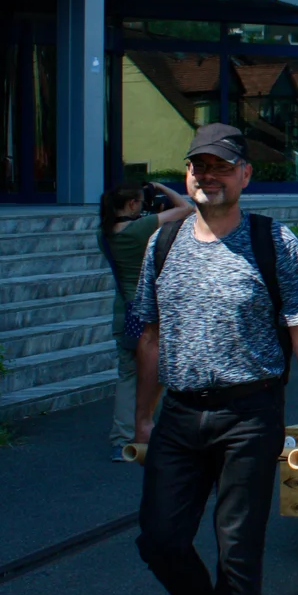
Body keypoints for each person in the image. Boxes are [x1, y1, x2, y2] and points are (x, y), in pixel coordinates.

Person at [131, 124, 298, 595]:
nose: (209, 175)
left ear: (245, 175)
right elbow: (148, 337)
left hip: (250, 413)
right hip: (179, 412)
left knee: (238, 550)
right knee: (160, 540)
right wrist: (143, 418)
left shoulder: (273, 241)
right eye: (199, 166)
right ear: (187, 175)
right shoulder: (164, 242)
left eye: (222, 166)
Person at [98, 182, 195, 461]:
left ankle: (122, 440)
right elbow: (186, 209)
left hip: (123, 313)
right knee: (157, 375)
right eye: (140, 202)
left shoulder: (102, 235)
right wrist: (161, 186)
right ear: (131, 205)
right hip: (150, 314)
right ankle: (156, 432)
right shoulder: (140, 229)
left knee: (127, 376)